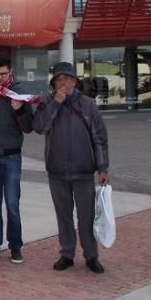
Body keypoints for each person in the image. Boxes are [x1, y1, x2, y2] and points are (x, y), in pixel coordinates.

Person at [34, 62, 109, 274]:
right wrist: (56, 103)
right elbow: (39, 128)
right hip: (57, 170)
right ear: (54, 83)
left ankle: (91, 256)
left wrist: (103, 167)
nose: (63, 82)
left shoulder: (88, 105)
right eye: (59, 79)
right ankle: (67, 254)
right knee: (63, 215)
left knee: (86, 217)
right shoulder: (47, 102)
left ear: (75, 81)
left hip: (84, 170)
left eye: (67, 78)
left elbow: (100, 139)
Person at [0, 54, 36, 264]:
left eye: (3, 74)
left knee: (12, 204)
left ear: (10, 72)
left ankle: (15, 246)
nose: (0, 78)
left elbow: (29, 127)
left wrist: (19, 111)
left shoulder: (18, 93)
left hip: (12, 157)